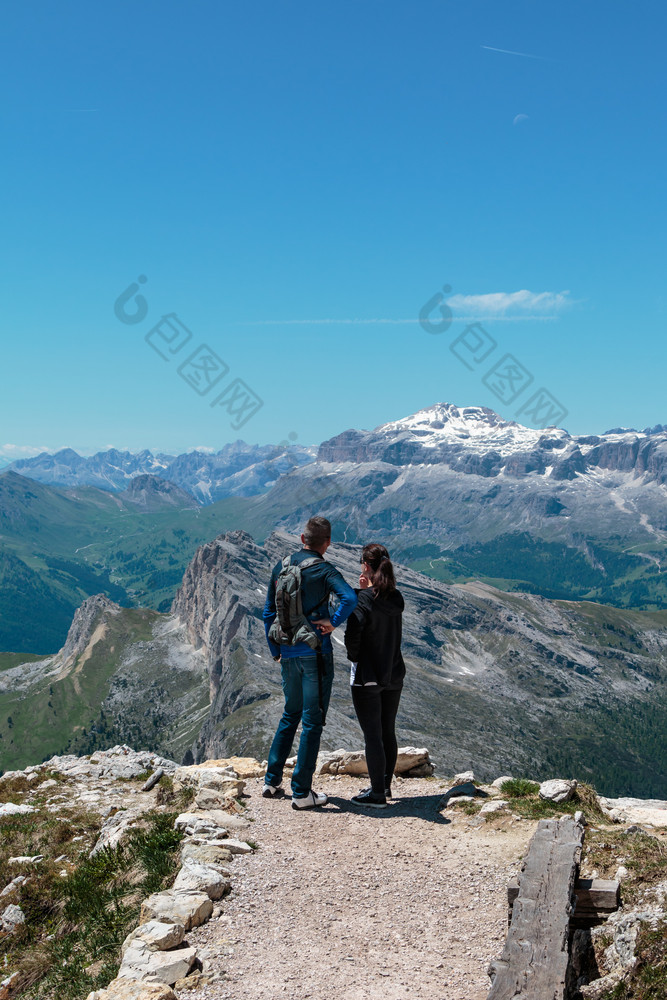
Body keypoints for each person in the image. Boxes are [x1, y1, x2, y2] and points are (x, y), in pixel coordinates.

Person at [262, 516, 358, 810]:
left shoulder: (282, 566)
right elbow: (349, 598)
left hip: (287, 653)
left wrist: (274, 649)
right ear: (327, 544)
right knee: (312, 722)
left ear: (302, 539)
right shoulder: (325, 569)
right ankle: (302, 792)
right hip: (315, 654)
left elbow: (268, 612)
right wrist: (332, 623)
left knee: (290, 715)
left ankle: (271, 781)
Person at [344, 543, 405, 808]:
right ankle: (385, 786)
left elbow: (352, 635)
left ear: (366, 567)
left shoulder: (364, 598)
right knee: (387, 730)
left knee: (372, 735)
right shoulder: (396, 597)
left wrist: (355, 657)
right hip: (393, 672)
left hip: (367, 674)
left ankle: (376, 794)